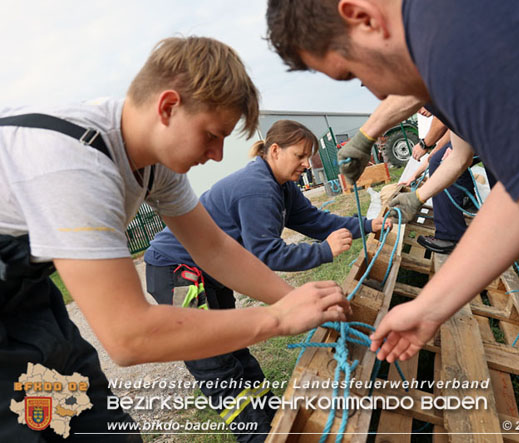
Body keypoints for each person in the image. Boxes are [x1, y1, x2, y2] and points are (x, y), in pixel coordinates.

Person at [265, 0, 519, 439]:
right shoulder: (460, 25)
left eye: (355, 75)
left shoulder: (461, 40)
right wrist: (430, 305)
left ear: (362, 17)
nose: (376, 93)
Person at [0, 36, 350, 441]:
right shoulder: (75, 167)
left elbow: (216, 248)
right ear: (168, 107)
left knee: (94, 425)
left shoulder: (152, 163)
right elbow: (128, 336)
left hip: (27, 303)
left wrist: (290, 300)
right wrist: (276, 318)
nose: (218, 155)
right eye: (211, 135)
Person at [143, 119, 387, 439]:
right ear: (275, 150)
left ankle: (271, 421)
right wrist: (324, 253)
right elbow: (268, 254)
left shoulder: (281, 186)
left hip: (211, 272)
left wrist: (369, 225)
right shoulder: (257, 187)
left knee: (235, 346)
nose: (306, 163)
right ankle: (256, 435)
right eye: (300, 155)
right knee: (215, 363)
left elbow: (316, 220)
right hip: (177, 274)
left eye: (309, 156)